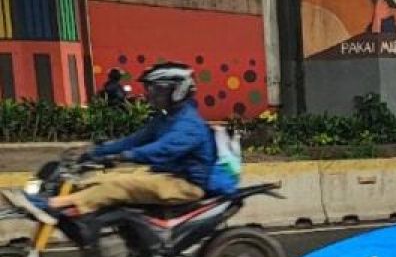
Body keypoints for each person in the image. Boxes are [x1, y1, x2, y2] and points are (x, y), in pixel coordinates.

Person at [13, 62, 237, 220]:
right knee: (102, 177)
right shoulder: (164, 118)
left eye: (157, 90)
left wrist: (124, 156)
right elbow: (134, 139)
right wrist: (96, 152)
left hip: (186, 185)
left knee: (119, 185)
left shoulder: (189, 124)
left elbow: (161, 150)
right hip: (166, 175)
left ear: (177, 91)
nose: (150, 95)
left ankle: (52, 205)